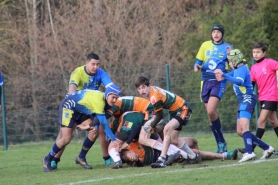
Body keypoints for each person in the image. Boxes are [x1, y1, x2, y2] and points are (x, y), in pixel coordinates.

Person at [51, 52, 115, 170]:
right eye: (93, 64)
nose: (96, 67)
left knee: (100, 128)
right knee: (64, 135)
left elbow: (110, 87)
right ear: (86, 63)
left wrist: (114, 95)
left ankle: (106, 158)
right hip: (75, 106)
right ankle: (54, 159)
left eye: (98, 64)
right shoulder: (78, 72)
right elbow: (71, 90)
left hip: (91, 106)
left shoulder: (101, 73)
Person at [214, 48, 275, 162]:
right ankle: (267, 148)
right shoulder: (237, 69)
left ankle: (249, 152)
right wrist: (221, 75)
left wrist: (224, 75)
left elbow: (239, 81)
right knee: (240, 131)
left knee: (244, 127)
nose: (230, 64)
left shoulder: (242, 69)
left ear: (236, 61)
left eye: (230, 61)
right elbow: (229, 75)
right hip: (242, 101)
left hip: (247, 99)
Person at [42, 85, 121, 172]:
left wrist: (94, 127)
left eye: (116, 98)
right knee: (66, 139)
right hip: (68, 107)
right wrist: (114, 140)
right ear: (107, 94)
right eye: (113, 97)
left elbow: (97, 117)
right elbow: (104, 123)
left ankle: (81, 157)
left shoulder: (106, 101)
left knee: (94, 132)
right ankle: (47, 159)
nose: (114, 100)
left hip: (80, 111)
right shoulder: (99, 101)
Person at [135, 76, 201, 168]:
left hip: (183, 108)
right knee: (174, 140)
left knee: (167, 129)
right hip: (175, 111)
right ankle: (194, 157)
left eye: (143, 87)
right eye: (139, 89)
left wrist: (152, 125)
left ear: (148, 86)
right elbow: (157, 111)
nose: (142, 91)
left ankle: (162, 159)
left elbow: (160, 116)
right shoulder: (151, 92)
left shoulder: (154, 96)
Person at [194, 24, 233, 153]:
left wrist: (231, 62)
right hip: (205, 81)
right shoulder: (205, 45)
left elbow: (234, 66)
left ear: (222, 34)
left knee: (211, 111)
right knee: (210, 116)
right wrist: (197, 67)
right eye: (214, 32)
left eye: (218, 32)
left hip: (218, 82)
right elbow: (198, 61)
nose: (216, 34)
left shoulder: (227, 47)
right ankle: (220, 144)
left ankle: (221, 140)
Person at [120, 137, 238, 167]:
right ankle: (224, 155)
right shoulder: (135, 161)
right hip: (167, 153)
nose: (132, 156)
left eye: (129, 155)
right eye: (129, 158)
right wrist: (134, 160)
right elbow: (139, 164)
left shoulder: (132, 143)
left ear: (127, 151)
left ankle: (197, 158)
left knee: (192, 141)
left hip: (165, 143)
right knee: (195, 151)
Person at [249, 42, 278, 152]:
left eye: (258, 52)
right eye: (254, 52)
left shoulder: (270, 63)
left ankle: (250, 149)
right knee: (274, 122)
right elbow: (251, 84)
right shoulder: (253, 67)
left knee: (261, 121)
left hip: (271, 96)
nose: (255, 54)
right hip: (263, 97)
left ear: (264, 52)